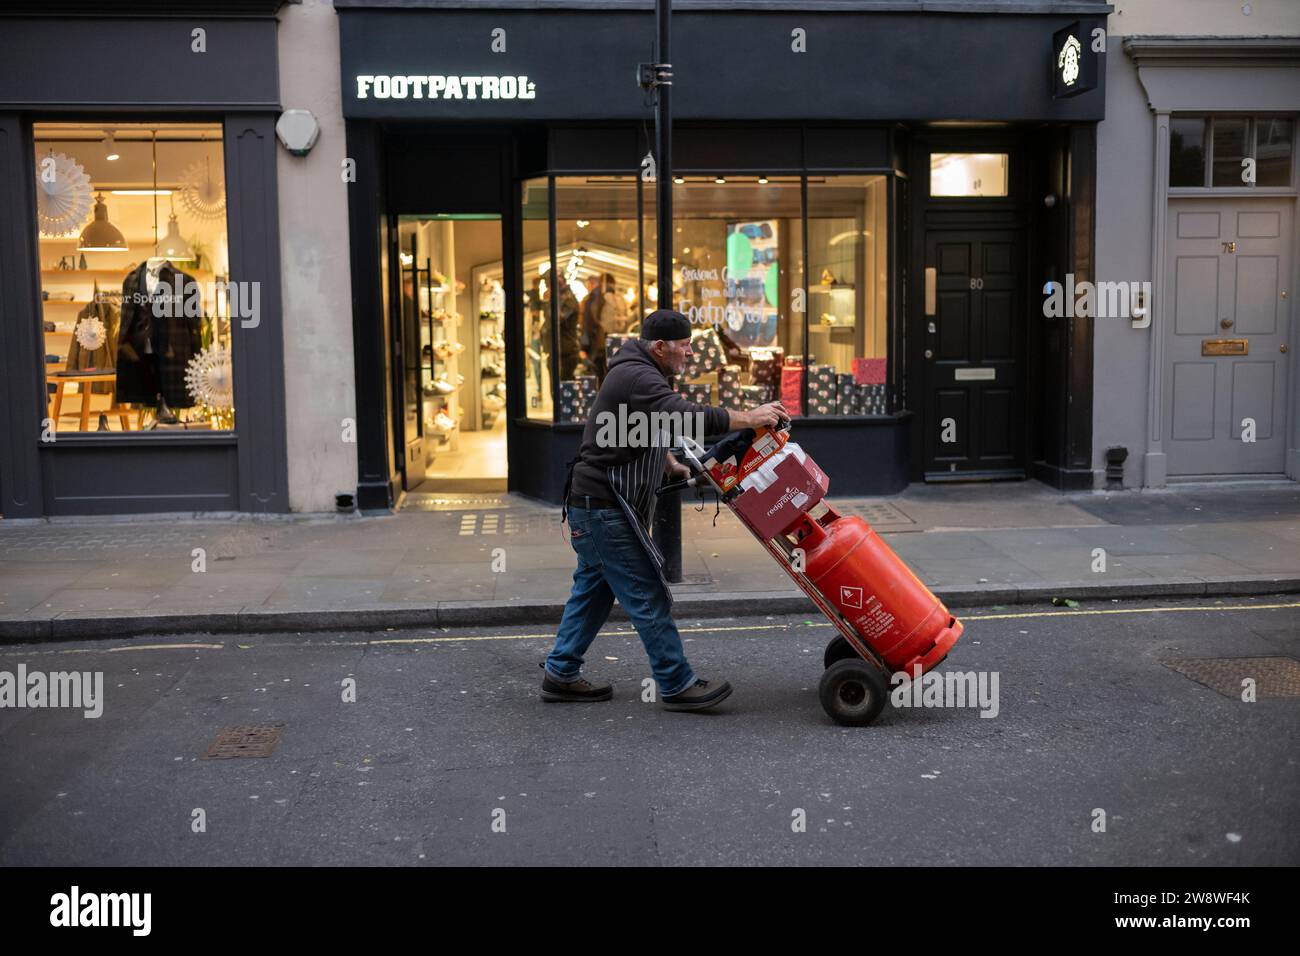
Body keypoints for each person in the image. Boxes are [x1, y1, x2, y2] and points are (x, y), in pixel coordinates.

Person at [542, 309, 789, 711]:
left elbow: (633, 428)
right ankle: (675, 682)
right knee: (647, 593)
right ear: (660, 347)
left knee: (593, 592)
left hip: (596, 507)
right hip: (604, 509)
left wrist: (668, 463)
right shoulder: (639, 376)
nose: (690, 354)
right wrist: (749, 416)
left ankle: (560, 672)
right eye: (685, 346)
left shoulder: (637, 370)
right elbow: (682, 415)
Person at [579, 275, 608, 381]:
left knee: (596, 372)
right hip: (601, 340)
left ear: (591, 284)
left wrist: (583, 345)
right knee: (602, 371)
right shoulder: (602, 297)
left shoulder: (592, 299)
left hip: (594, 341)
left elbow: (588, 323)